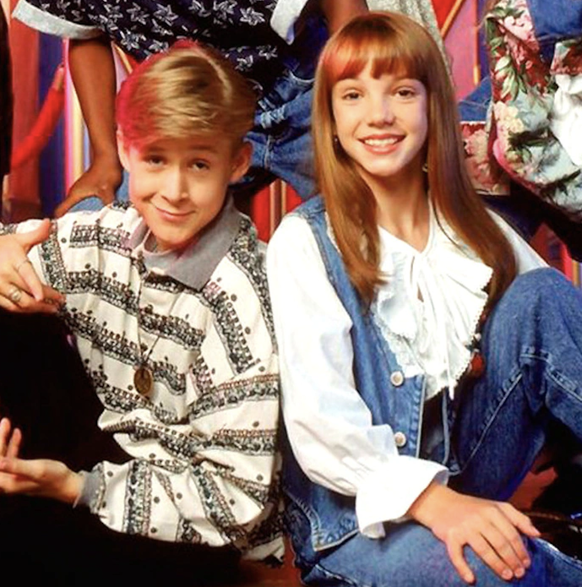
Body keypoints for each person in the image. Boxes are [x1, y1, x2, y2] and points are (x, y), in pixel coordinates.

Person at [267, 12, 582, 587]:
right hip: (357, 527)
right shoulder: (304, 241)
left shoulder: (474, 228)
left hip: (466, 477)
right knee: (500, 569)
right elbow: (320, 424)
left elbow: (560, 343)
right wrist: (437, 504)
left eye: (402, 92)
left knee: (540, 294)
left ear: (432, 107)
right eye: (354, 95)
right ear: (331, 120)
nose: (379, 115)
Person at [0, 42, 282, 584]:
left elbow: (234, 502)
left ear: (237, 164)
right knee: (10, 301)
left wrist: (75, 488)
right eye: (156, 159)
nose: (174, 191)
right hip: (110, 452)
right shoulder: (112, 235)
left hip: (195, 524)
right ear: (125, 152)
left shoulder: (245, 297)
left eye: (199, 164)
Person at [12, 0, 368, 215]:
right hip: (196, 117)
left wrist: (354, 99)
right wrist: (105, 156)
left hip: (307, 93)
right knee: (89, 216)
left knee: (369, 227)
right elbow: (87, 33)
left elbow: (340, 4)